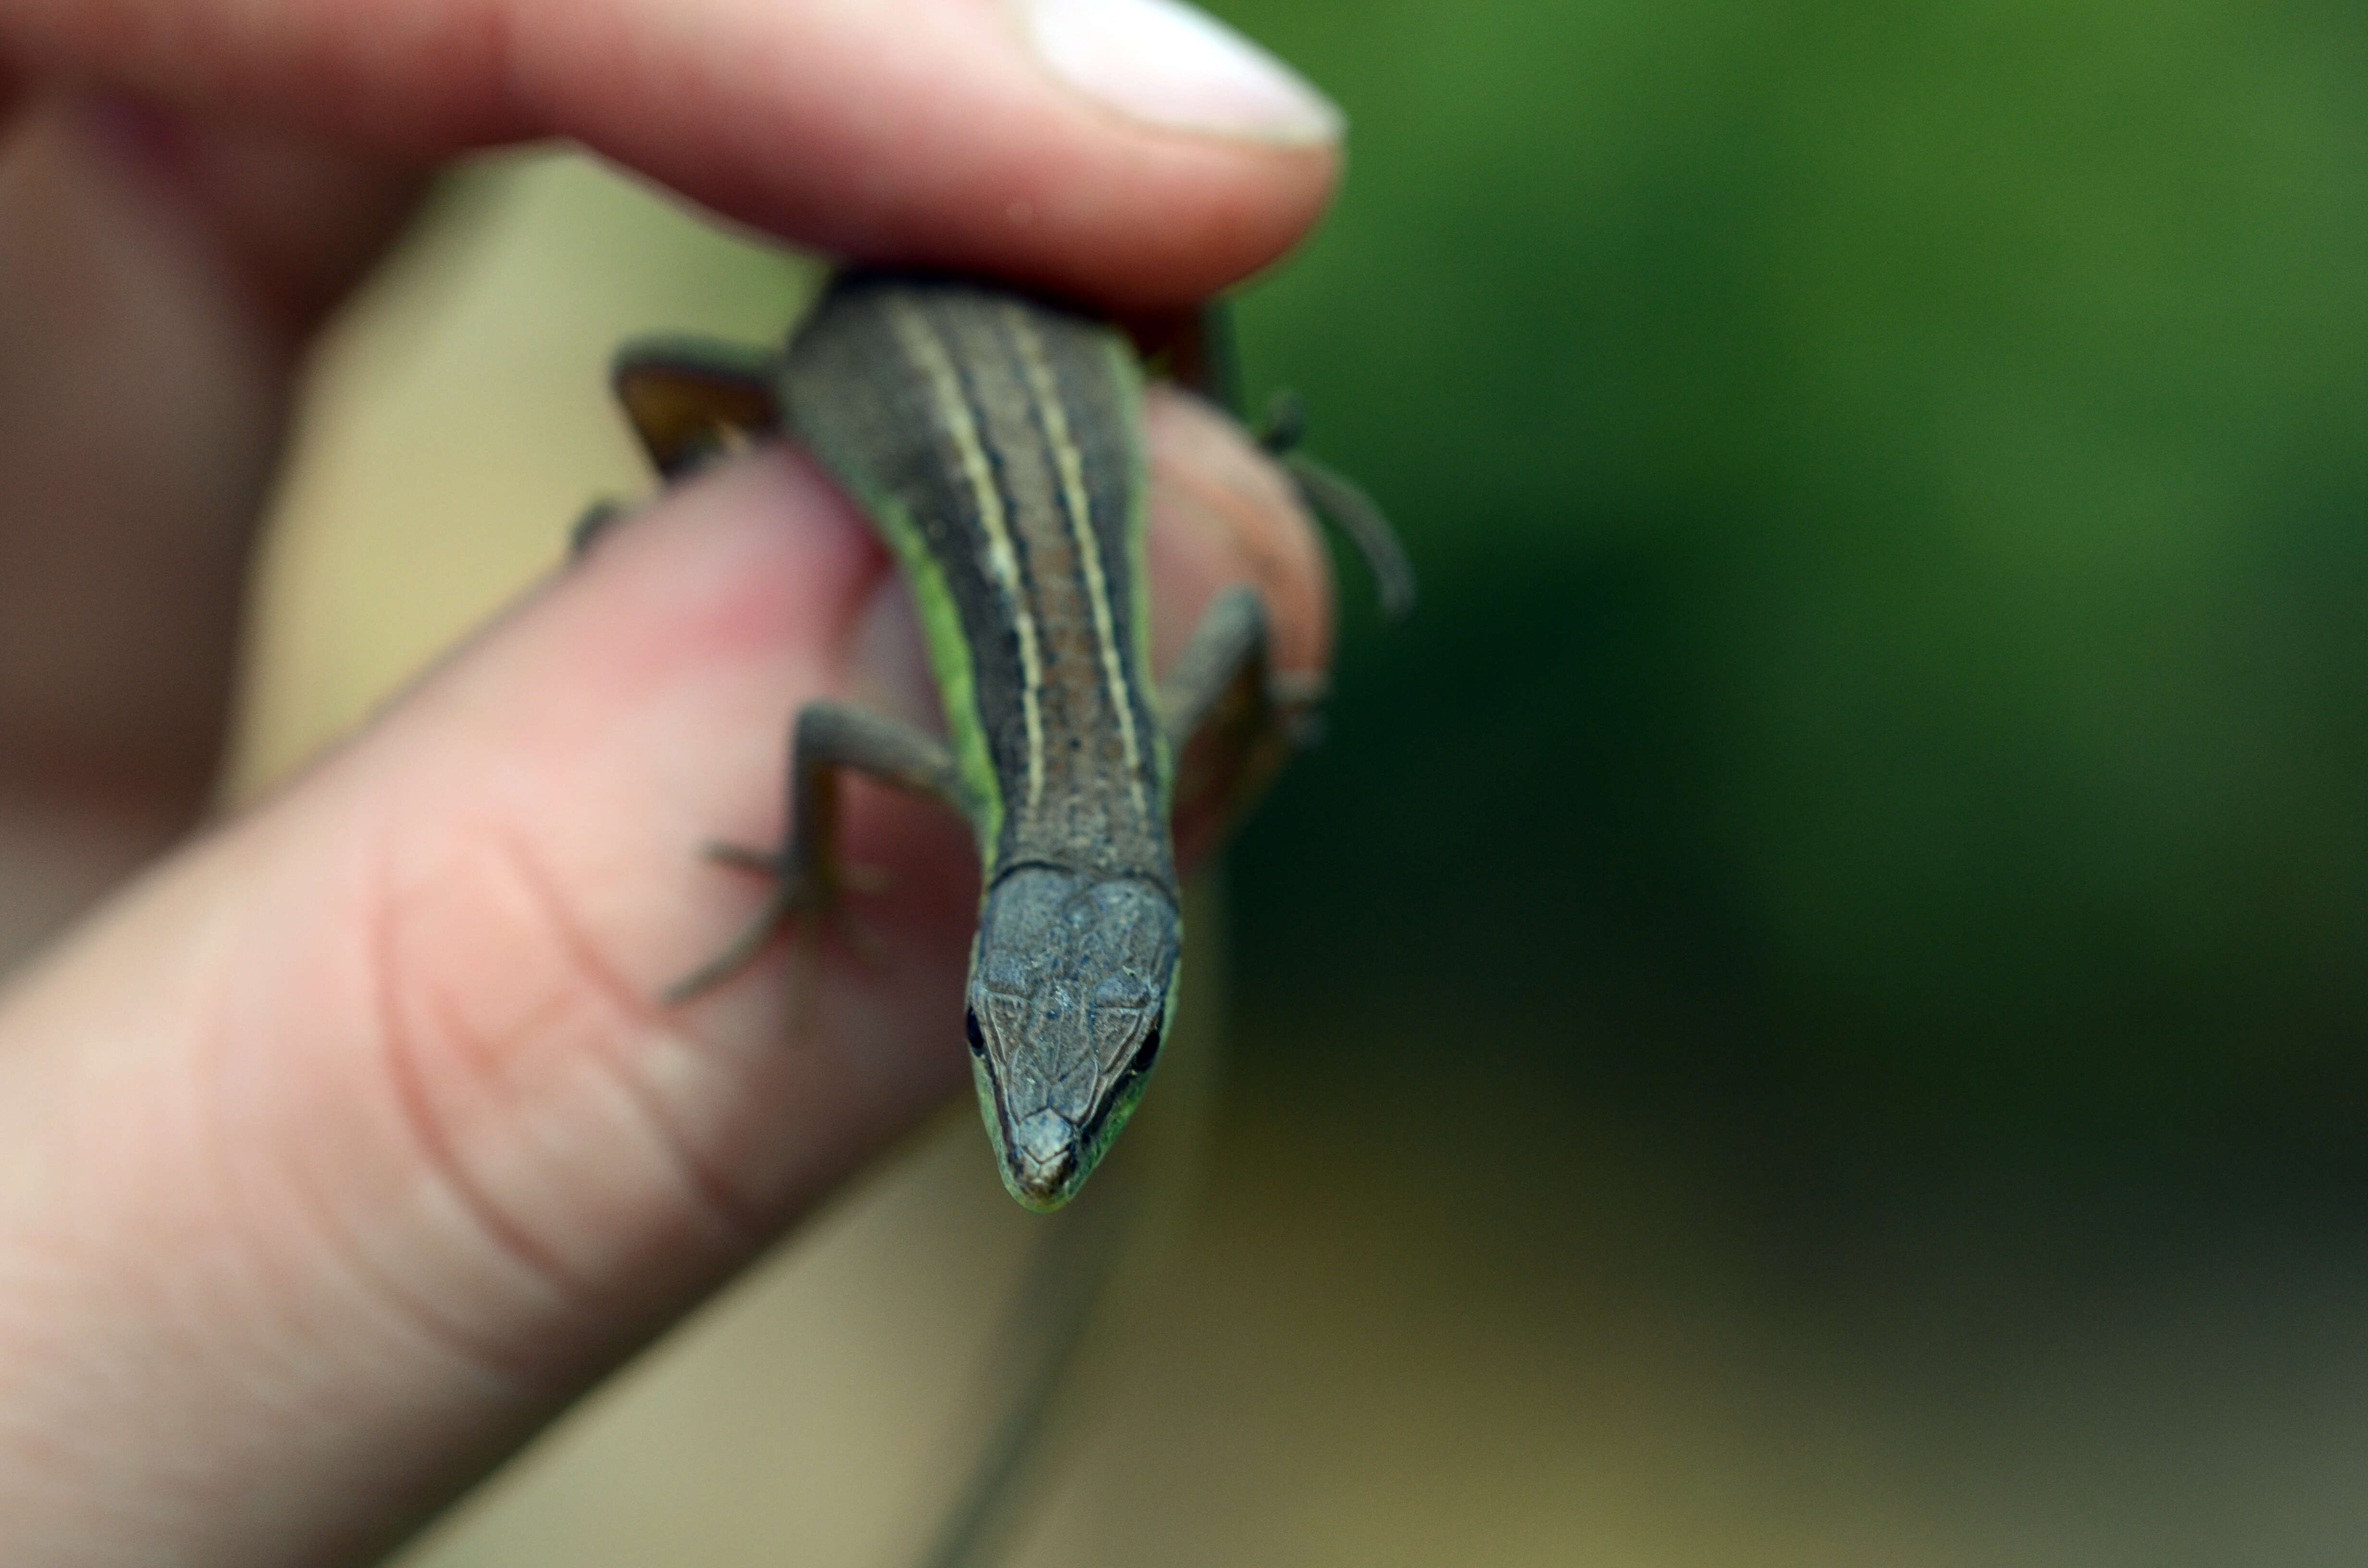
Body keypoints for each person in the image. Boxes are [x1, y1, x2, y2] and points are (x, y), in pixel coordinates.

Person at [0, 0, 1342, 1558]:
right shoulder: (1063, 750)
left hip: (982, 349)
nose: (1037, 1132)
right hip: (894, 356)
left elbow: (1173, 645)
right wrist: (825, 870)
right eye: (1002, 1042)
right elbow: (1196, 633)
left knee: (710, 388)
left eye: (1084, 1067)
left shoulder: (1083, 747)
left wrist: (835, 864)